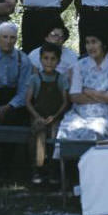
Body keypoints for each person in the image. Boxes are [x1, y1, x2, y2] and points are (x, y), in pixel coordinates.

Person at [54, 31, 108, 154]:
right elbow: (74, 96)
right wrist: (103, 96)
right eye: (87, 43)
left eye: (94, 42)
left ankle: (94, 168)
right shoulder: (79, 65)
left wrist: (87, 90)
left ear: (103, 44)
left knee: (94, 130)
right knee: (67, 129)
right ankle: (70, 170)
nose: (90, 47)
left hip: (106, 116)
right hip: (79, 114)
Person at [26, 42, 70, 185]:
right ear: (40, 60)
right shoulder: (35, 79)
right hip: (39, 115)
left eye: (53, 59)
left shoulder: (61, 79)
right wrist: (38, 117)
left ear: (58, 61)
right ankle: (38, 168)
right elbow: (28, 102)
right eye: (46, 58)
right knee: (39, 133)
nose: (49, 62)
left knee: (56, 134)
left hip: (55, 116)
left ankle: (54, 170)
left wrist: (55, 116)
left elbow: (65, 102)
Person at [0, 22, 32, 125]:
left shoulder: (24, 60)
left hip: (15, 103)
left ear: (16, 39)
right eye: (5, 37)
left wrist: (8, 107)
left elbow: (24, 90)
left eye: (12, 38)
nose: (8, 41)